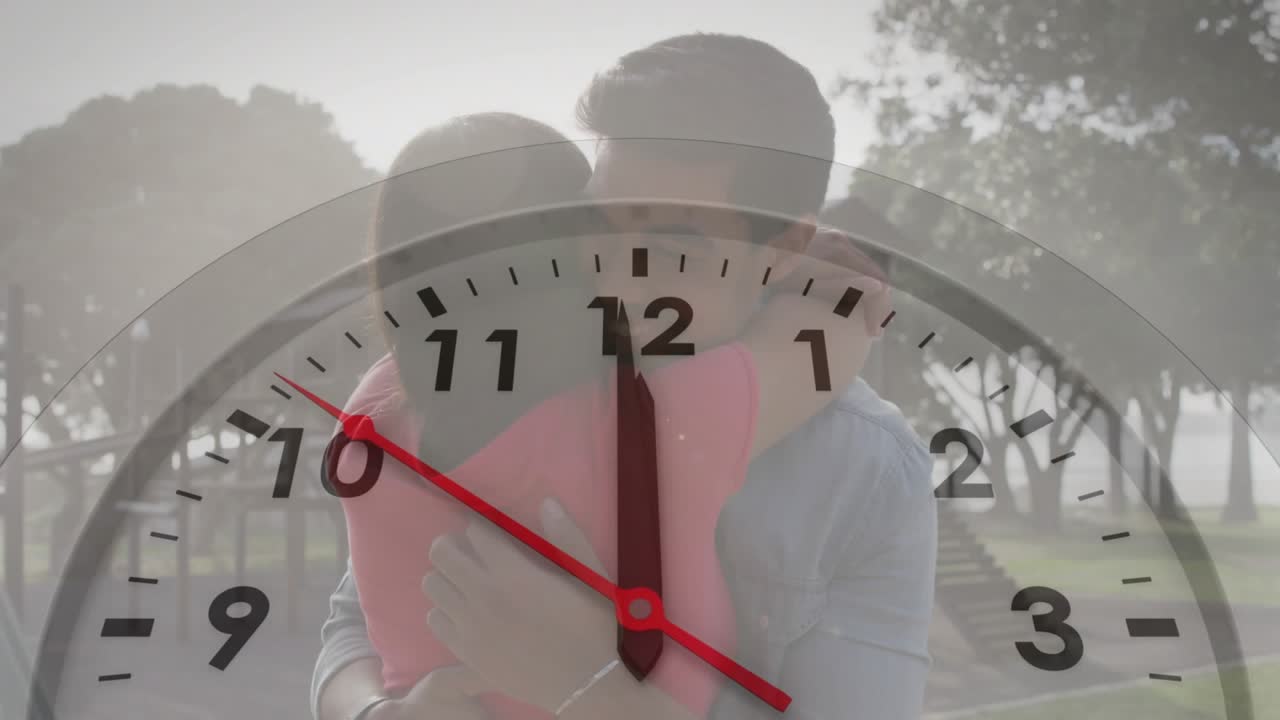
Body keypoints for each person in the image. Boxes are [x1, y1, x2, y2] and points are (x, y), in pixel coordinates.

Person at [315, 33, 934, 720]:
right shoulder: (488, 376)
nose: (612, 275)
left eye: (671, 246)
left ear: (785, 244)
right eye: (596, 222)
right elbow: (349, 620)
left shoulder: (863, 463)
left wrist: (589, 683)